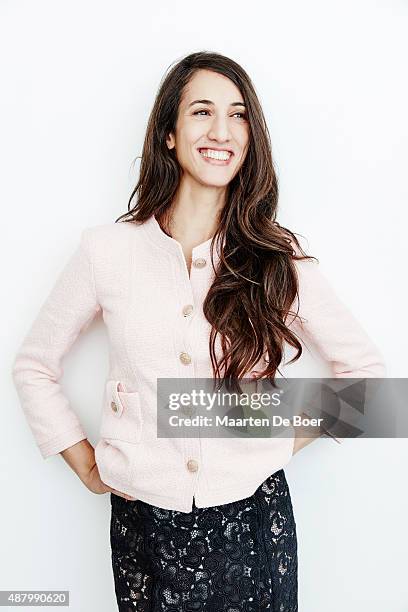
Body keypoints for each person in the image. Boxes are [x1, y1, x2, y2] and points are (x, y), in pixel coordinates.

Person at [11, 51, 386, 611]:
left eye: (238, 116)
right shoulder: (107, 252)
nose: (221, 131)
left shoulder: (275, 257)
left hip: (253, 526)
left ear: (250, 137)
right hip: (144, 528)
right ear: (168, 132)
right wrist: (82, 460)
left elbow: (369, 384)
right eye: (202, 111)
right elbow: (33, 367)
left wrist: (276, 438)